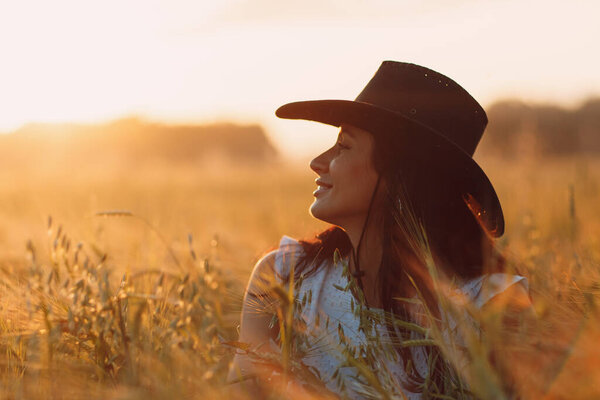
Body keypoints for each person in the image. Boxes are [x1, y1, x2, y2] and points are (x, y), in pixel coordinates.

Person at [227, 61, 534, 399]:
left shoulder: (493, 304)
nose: (317, 161)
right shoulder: (283, 277)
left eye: (343, 146)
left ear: (400, 174)